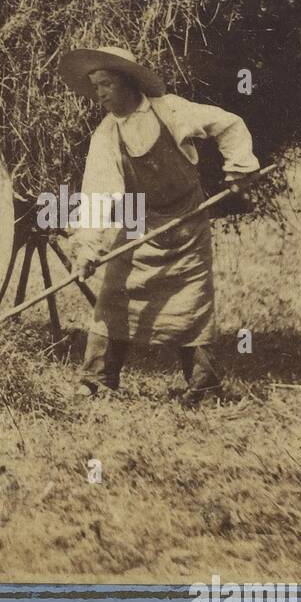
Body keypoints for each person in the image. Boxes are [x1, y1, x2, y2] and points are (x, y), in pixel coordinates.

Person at [59, 44, 259, 405]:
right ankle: (96, 381)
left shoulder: (171, 111)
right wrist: (87, 248)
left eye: (105, 84)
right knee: (115, 296)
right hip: (137, 214)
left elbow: (230, 125)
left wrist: (239, 167)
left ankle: (204, 386)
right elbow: (97, 195)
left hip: (186, 215)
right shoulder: (106, 135)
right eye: (95, 86)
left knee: (192, 302)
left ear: (128, 82)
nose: (99, 94)